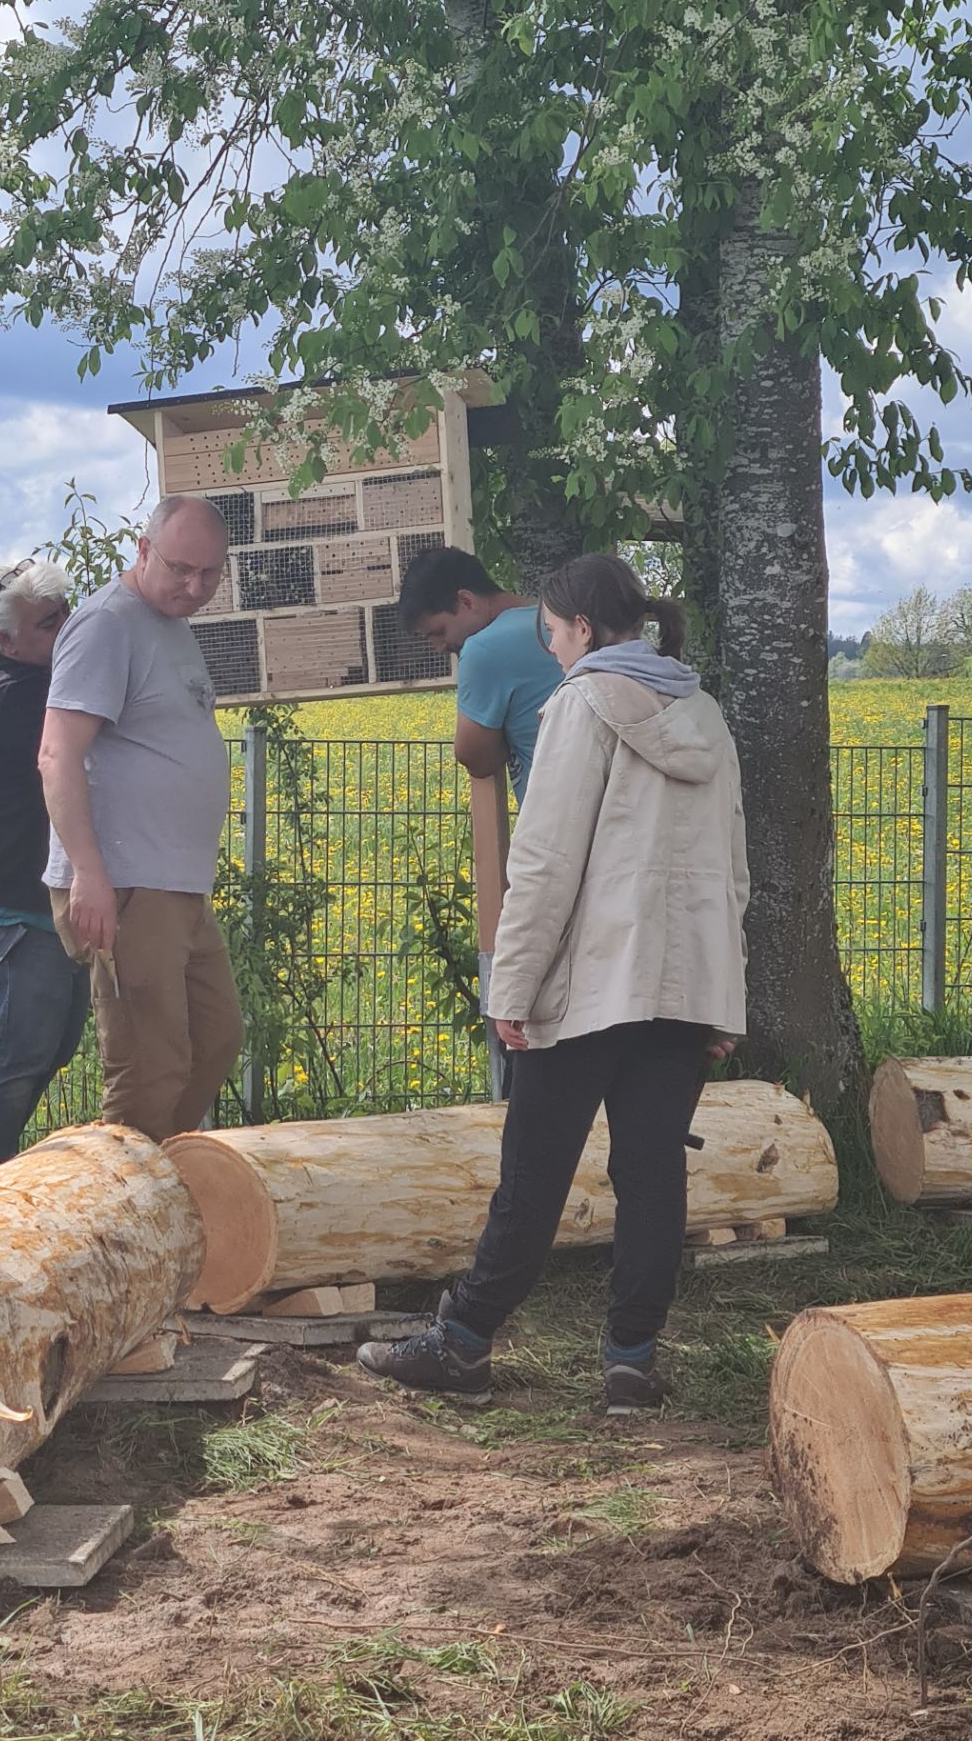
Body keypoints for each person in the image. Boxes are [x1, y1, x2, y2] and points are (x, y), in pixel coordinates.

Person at [359, 553, 749, 1413]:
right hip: (679, 993)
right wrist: (725, 995)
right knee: (653, 1177)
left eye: (552, 632)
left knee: (533, 1173)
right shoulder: (704, 711)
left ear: (576, 628)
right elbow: (731, 870)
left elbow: (543, 861)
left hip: (585, 989)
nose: (553, 648)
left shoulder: (582, 705)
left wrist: (512, 988)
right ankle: (631, 1364)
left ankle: (462, 1345)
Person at [38, 496, 243, 1142]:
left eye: (210, 574)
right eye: (181, 568)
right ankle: (129, 1208)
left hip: (176, 885)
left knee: (215, 1040)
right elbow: (57, 751)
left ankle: (161, 1177)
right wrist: (89, 875)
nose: (195, 586)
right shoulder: (107, 624)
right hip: (126, 883)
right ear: (144, 550)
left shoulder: (169, 625)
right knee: (150, 1069)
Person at [0, 557, 90, 1181]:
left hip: (33, 909)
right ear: (5, 639)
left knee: (51, 1045)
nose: (65, 631)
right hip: (10, 916)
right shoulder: (13, 696)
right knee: (15, 1061)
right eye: (47, 623)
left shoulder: (18, 683)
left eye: (66, 615)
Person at [398, 546, 560, 806]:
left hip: (557, 821)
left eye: (438, 631)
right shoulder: (558, 621)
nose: (439, 647)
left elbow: (475, 758)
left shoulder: (483, 647)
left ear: (466, 601)